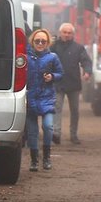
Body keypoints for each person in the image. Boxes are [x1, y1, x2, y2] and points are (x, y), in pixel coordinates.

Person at [26, 28, 63, 172]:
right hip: (30, 98)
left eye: (43, 41)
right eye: (37, 41)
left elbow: (60, 73)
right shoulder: (25, 57)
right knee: (32, 132)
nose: (40, 43)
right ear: (32, 42)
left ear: (48, 43)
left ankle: (47, 157)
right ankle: (34, 160)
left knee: (48, 127)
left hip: (46, 97)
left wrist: (52, 76)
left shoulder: (53, 57)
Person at [50, 23, 92, 145]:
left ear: (73, 34)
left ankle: (73, 135)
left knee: (75, 110)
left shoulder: (78, 48)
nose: (67, 35)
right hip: (58, 83)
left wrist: (87, 72)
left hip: (73, 83)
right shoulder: (53, 47)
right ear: (60, 33)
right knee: (56, 108)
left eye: (69, 33)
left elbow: (86, 61)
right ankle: (56, 134)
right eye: (65, 32)